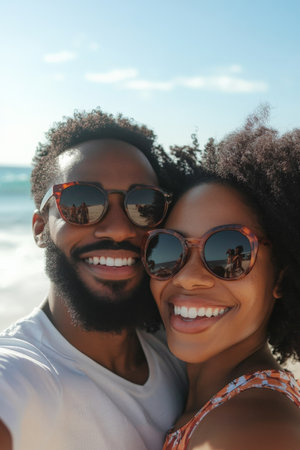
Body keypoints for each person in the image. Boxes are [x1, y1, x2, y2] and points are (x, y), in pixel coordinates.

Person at [0, 109, 188, 450]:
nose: (118, 228)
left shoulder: (178, 347)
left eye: (144, 204)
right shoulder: (21, 371)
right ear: (41, 228)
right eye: (80, 202)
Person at [142, 112, 300, 449]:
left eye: (230, 251)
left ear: (281, 279)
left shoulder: (256, 431)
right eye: (168, 248)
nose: (188, 277)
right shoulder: (215, 401)